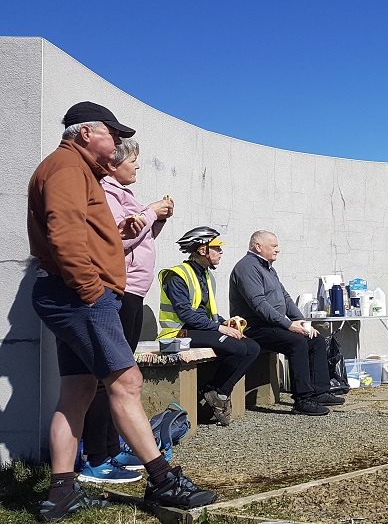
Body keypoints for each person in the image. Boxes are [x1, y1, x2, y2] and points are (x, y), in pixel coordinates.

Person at [28, 102, 216, 521]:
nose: (115, 143)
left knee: (76, 392)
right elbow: (64, 234)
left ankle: (61, 494)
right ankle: (164, 482)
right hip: (80, 297)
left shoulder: (75, 169)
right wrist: (92, 291)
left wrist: (119, 235)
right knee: (127, 381)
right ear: (85, 133)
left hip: (70, 295)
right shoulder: (67, 169)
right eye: (111, 134)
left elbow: (85, 232)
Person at [77, 138, 174, 484]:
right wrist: (151, 211)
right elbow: (116, 240)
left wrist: (157, 219)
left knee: (118, 373)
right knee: (110, 377)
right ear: (114, 164)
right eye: (133, 160)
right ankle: (96, 457)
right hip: (117, 290)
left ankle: (111, 448)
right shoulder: (106, 193)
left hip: (132, 291)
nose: (137, 166)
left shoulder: (125, 195)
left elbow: (140, 237)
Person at [230, 230, 341, 415]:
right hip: (254, 327)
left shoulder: (268, 269)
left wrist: (301, 321)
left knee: (315, 339)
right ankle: (302, 400)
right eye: (273, 246)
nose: (278, 250)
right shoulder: (247, 268)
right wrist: (289, 325)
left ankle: (319, 391)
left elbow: (285, 297)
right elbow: (259, 304)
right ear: (258, 246)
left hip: (272, 325)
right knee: (296, 342)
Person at [158, 227, 261, 425]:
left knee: (253, 347)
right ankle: (215, 392)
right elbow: (185, 313)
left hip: (198, 329)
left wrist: (223, 321)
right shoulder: (177, 275)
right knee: (238, 348)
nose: (221, 252)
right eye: (216, 248)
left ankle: (218, 392)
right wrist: (219, 328)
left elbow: (206, 312)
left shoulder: (205, 275)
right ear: (202, 250)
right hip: (179, 332)